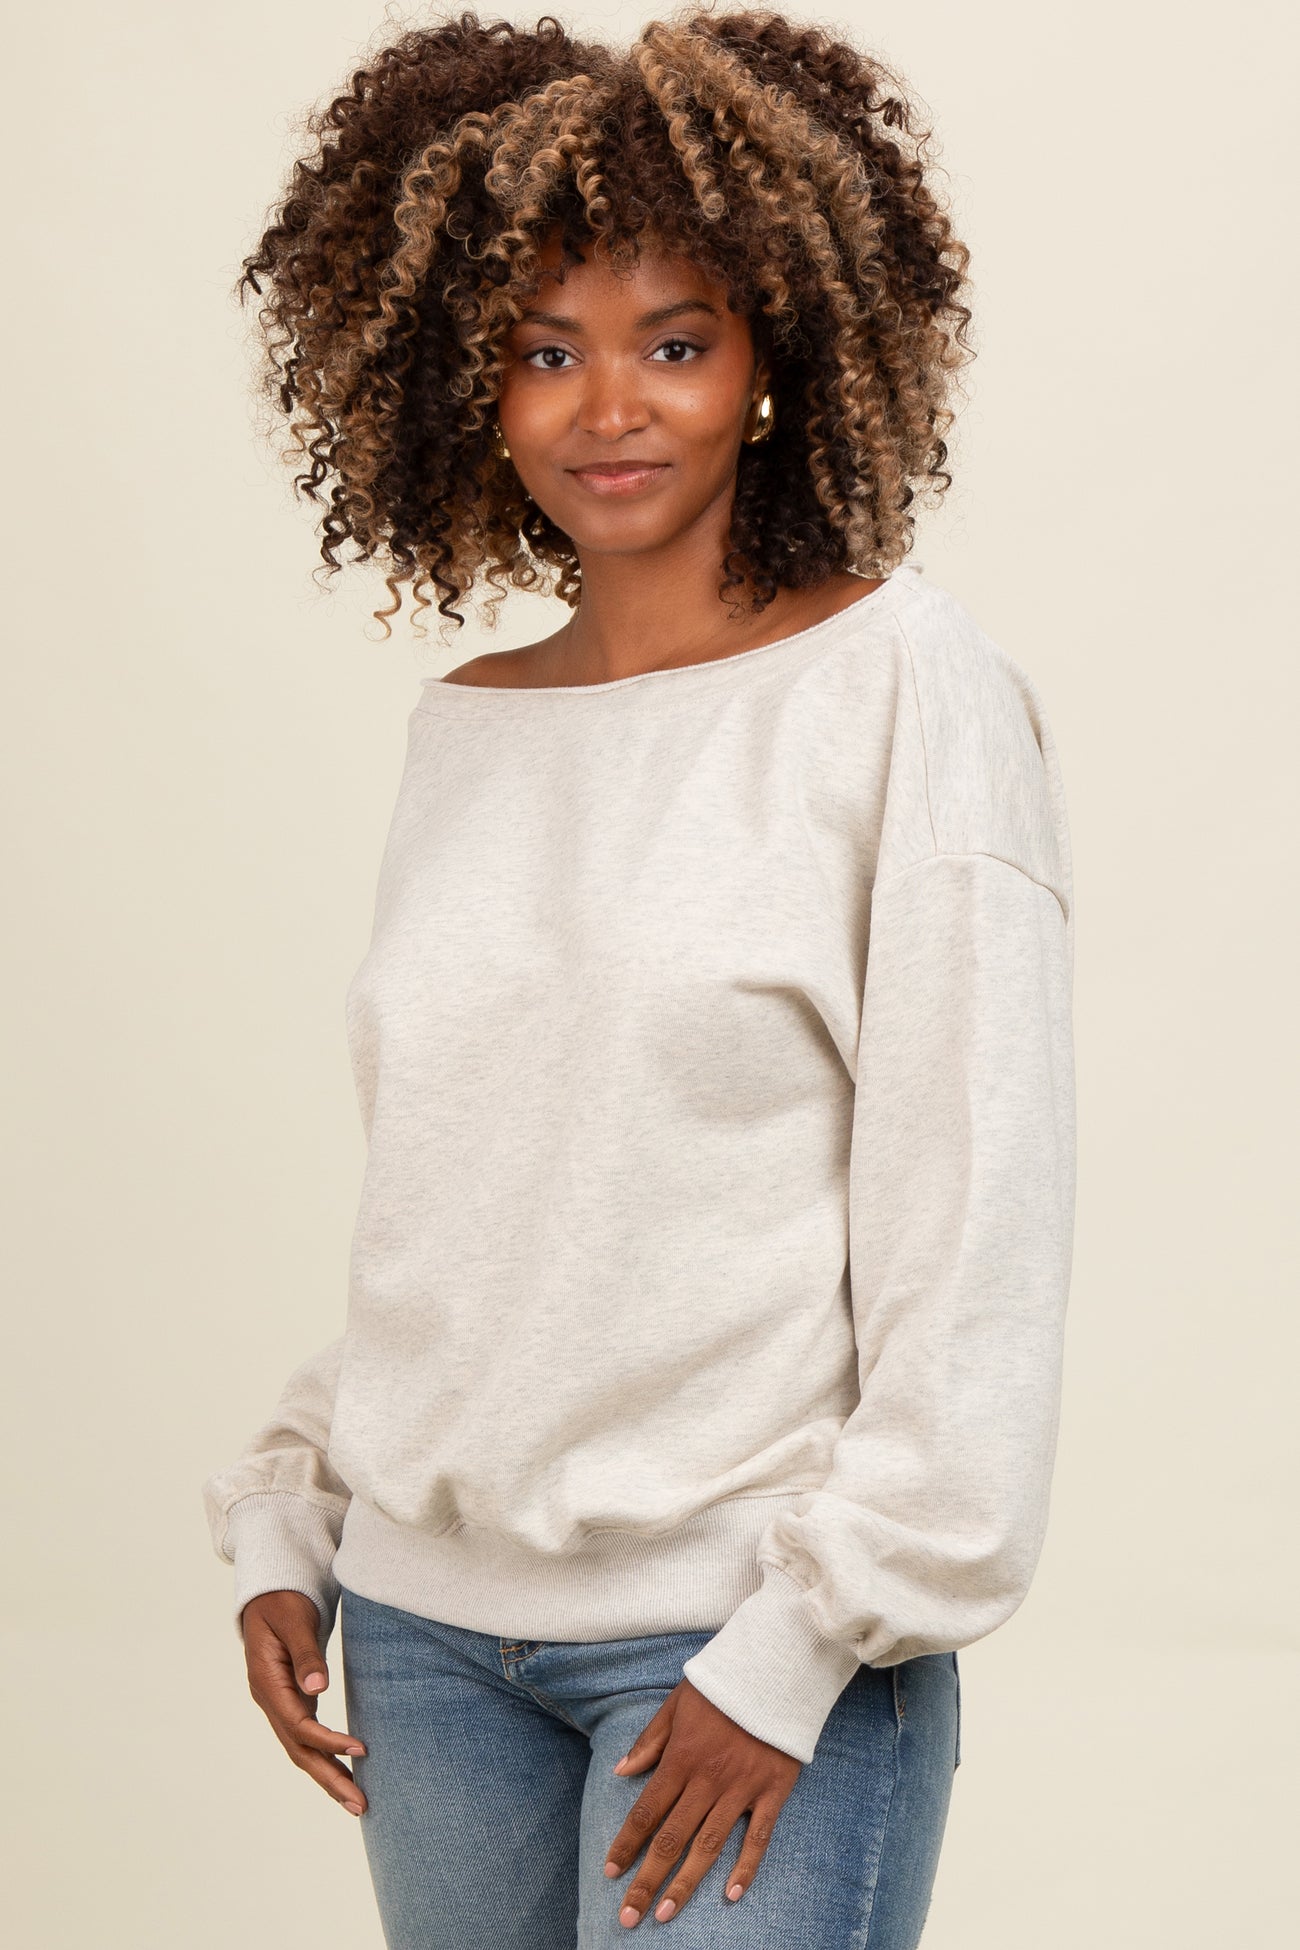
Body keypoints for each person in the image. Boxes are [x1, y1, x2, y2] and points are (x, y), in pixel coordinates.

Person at [201, 8, 1077, 1946]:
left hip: (735, 1645)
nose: (610, 406)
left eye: (675, 343)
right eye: (544, 350)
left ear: (776, 361)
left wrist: (802, 1644)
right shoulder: (470, 728)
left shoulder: (902, 689)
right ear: (466, 382)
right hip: (423, 1643)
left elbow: (975, 1221)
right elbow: (483, 1201)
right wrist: (296, 1508)